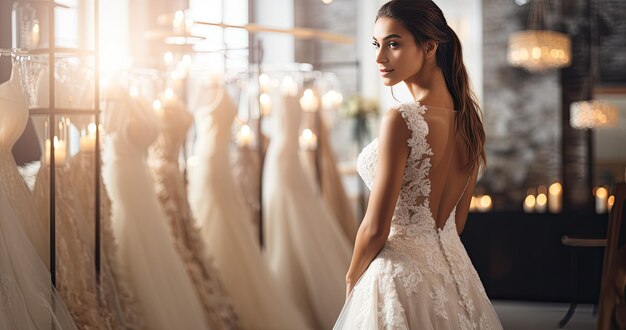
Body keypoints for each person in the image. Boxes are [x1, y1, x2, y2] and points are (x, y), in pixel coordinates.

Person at [334, 0, 503, 328]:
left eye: (393, 44)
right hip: (455, 275)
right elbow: (458, 222)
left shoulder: (402, 118)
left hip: (400, 276)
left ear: (429, 46)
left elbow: (375, 227)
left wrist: (352, 277)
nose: (380, 58)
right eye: (377, 45)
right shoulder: (470, 123)